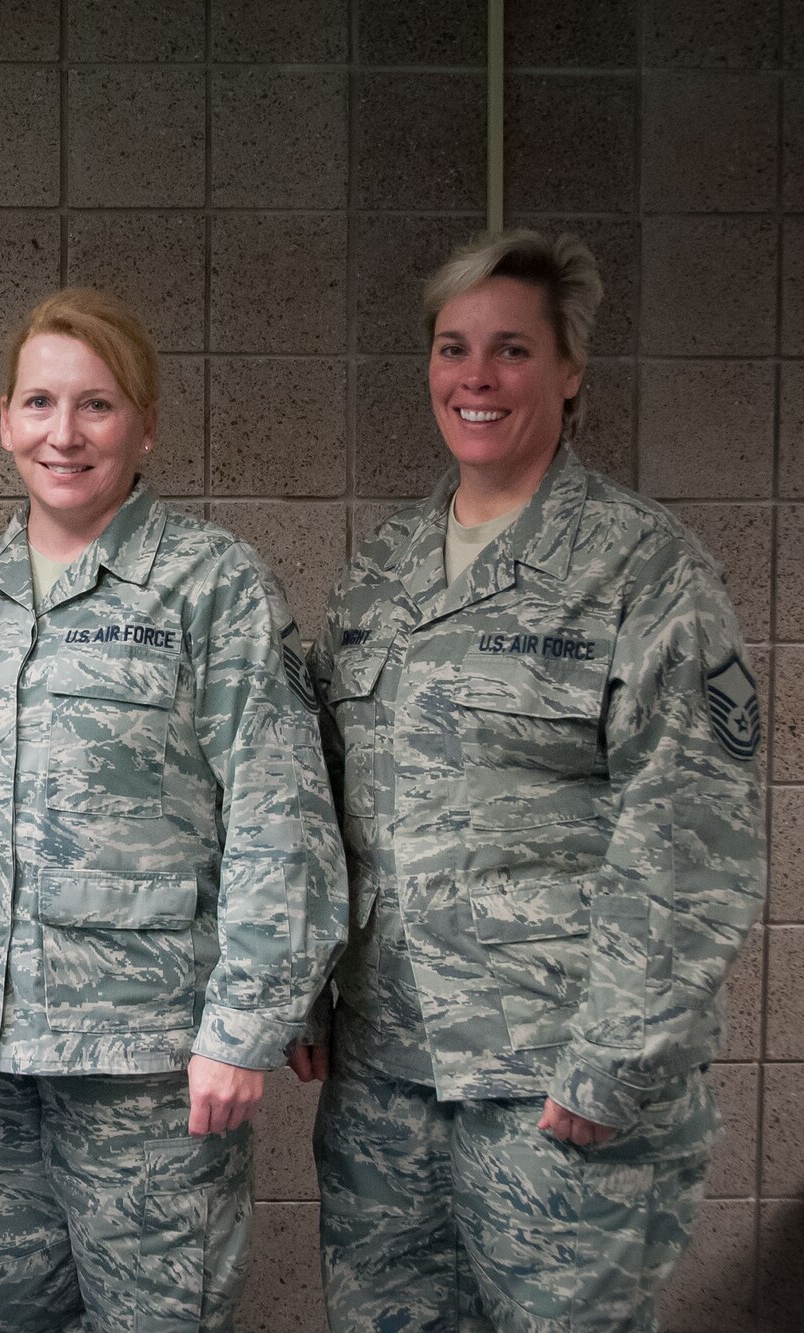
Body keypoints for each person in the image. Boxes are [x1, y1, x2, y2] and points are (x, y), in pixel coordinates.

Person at [297, 230, 766, 1332]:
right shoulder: (383, 571)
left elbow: (689, 834)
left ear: (567, 372)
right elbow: (323, 804)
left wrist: (613, 1064)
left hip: (554, 1081)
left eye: (510, 350)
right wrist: (307, 983)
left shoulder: (640, 567)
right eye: (452, 347)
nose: (475, 377)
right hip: (384, 1079)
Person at [0, 287, 345, 1332]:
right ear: (2, 420)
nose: (64, 433)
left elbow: (282, 818)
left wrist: (243, 1026)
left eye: (96, 405)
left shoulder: (209, 586)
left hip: (150, 1062)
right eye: (38, 402)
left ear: (144, 425)